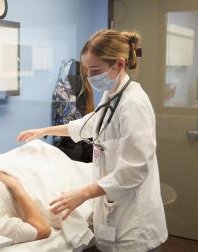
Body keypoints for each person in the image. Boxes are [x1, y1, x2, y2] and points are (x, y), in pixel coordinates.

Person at [17, 29, 168, 252]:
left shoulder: (133, 104)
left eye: (95, 70)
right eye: (87, 70)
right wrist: (44, 130)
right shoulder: (111, 97)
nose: (89, 77)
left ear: (118, 64)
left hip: (135, 224)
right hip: (112, 213)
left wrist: (84, 193)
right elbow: (86, 125)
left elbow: (135, 169)